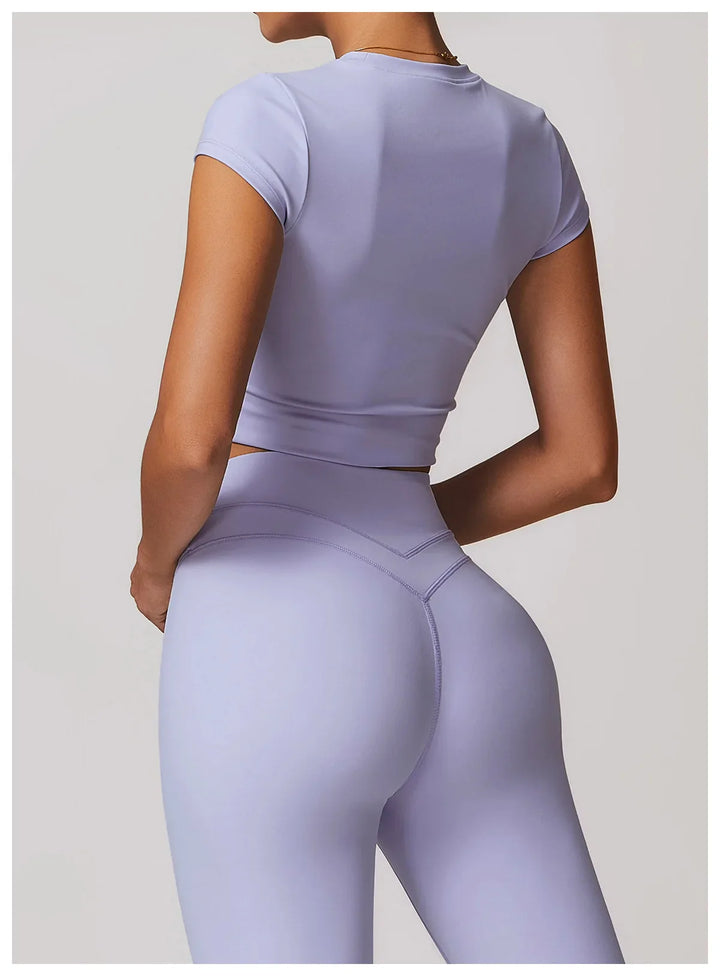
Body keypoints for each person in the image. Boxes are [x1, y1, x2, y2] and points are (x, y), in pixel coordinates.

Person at [130, 11, 624, 965]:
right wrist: (390, 533)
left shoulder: (268, 119)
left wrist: (157, 569)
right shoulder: (534, 146)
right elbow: (583, 459)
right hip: (473, 638)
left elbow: (192, 446)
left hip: (274, 632)